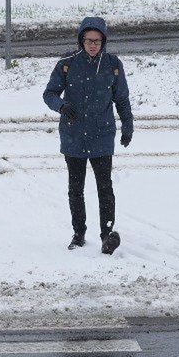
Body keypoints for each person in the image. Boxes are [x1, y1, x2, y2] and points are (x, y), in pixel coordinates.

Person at [42, 15, 133, 253]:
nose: (93, 45)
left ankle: (107, 234)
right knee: (76, 189)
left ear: (104, 42)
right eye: (88, 40)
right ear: (81, 40)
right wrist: (61, 106)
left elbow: (122, 99)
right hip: (73, 136)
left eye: (97, 41)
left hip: (102, 135)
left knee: (105, 187)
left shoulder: (113, 65)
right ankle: (79, 233)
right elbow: (49, 94)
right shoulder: (67, 63)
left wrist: (128, 125)